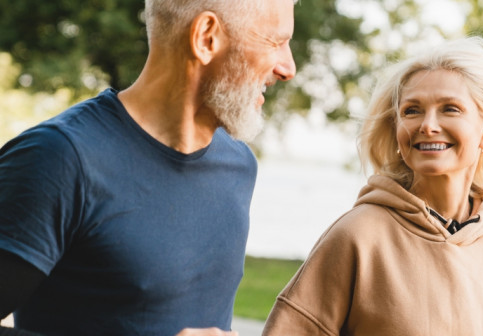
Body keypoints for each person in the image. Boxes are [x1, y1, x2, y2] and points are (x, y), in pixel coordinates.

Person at [262, 22, 483, 336]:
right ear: (398, 129)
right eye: (412, 110)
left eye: (450, 108)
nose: (427, 124)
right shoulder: (357, 236)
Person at [0, 0, 296, 335]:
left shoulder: (239, 165)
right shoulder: (58, 159)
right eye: (275, 42)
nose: (288, 68)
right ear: (206, 37)